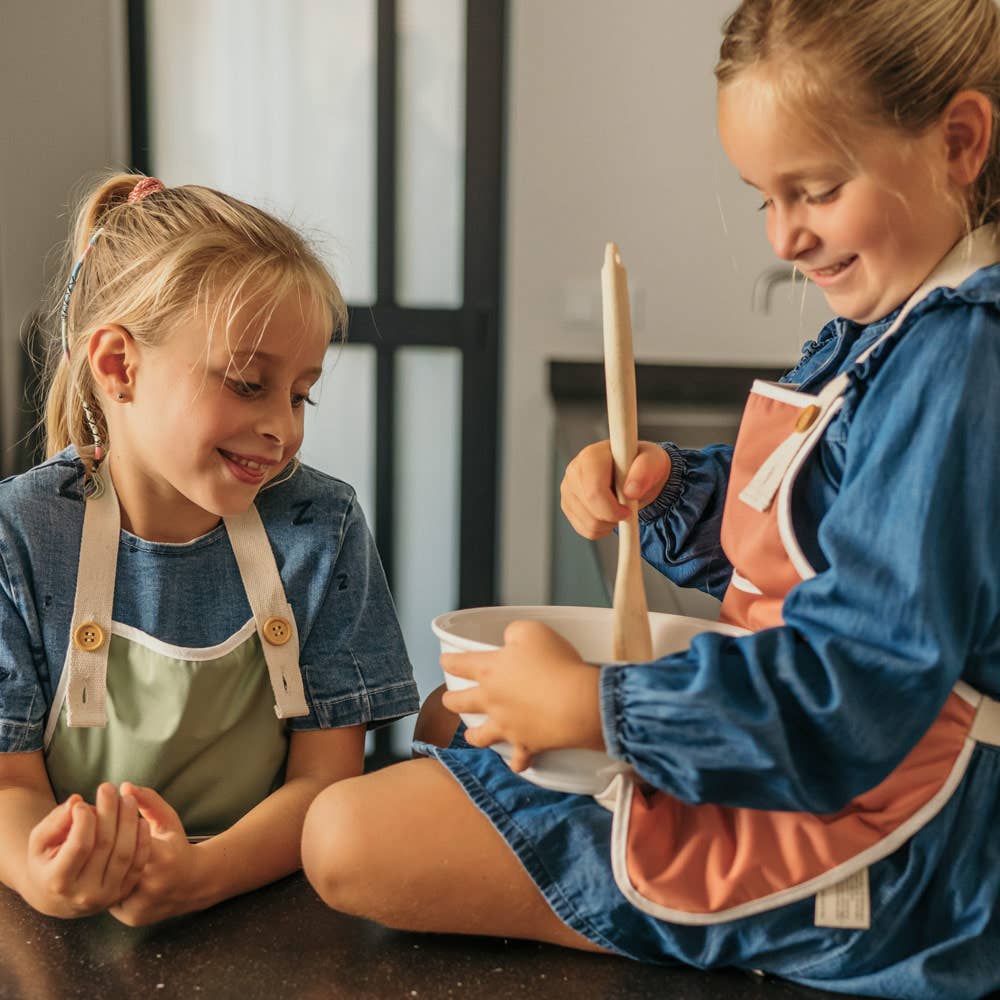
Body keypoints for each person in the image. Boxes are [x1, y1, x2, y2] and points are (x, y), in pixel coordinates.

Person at [301, 1, 1000, 996]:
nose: (785, 236)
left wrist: (599, 707)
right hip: (813, 761)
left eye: (815, 190)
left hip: (890, 846)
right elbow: (816, 534)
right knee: (446, 715)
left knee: (345, 835)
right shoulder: (896, 322)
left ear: (959, 142)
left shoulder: (962, 354)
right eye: (762, 196)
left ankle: (735, 932)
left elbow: (855, 694)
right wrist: (670, 488)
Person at [0, 173, 418, 925]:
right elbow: (8, 786)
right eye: (249, 383)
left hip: (272, 910)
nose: (283, 430)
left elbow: (328, 778)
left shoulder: (321, 525)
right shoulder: (19, 537)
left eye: (301, 393)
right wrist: (43, 872)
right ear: (119, 367)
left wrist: (202, 874)